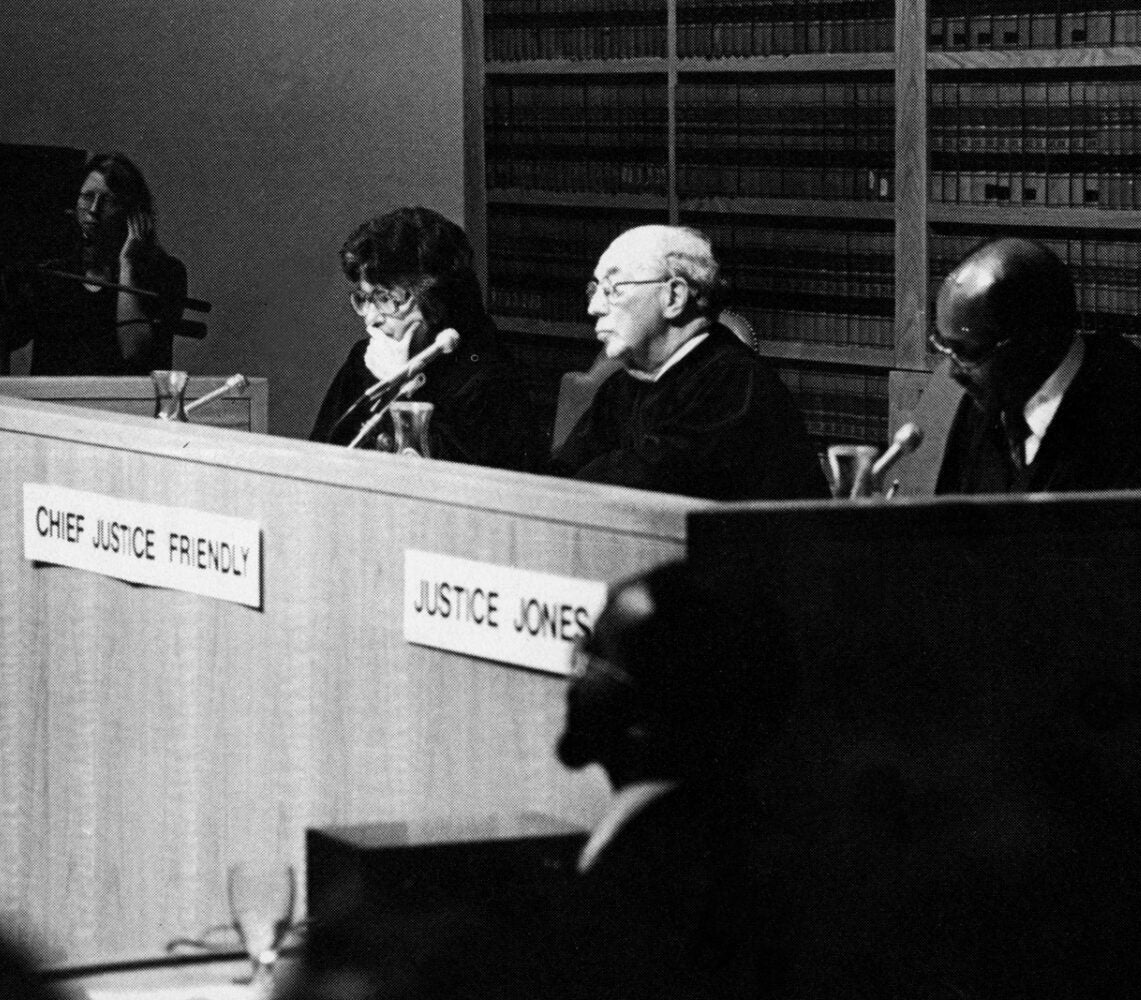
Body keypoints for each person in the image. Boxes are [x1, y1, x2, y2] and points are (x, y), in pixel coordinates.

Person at [550, 560, 795, 999]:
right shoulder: (744, 835)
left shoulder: (643, 888)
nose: (573, 680)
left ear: (652, 711)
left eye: (594, 657)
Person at [924, 236, 1141, 494]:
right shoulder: (988, 401)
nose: (952, 372)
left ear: (1036, 341)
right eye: (944, 347)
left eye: (968, 353)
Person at [548, 225, 828, 500]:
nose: (594, 307)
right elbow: (561, 476)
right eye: (594, 289)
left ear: (674, 297)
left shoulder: (736, 383)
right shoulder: (624, 385)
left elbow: (649, 487)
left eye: (613, 288)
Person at [310, 206, 537, 472]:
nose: (370, 319)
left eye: (385, 299)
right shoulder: (366, 359)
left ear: (436, 298)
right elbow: (321, 459)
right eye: (364, 299)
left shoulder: (490, 376)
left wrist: (401, 389)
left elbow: (467, 487)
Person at [6, 151, 188, 375]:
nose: (93, 210)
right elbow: (8, 337)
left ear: (134, 214)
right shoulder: (54, 272)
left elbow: (136, 353)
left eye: (109, 201)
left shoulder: (165, 273)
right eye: (87, 197)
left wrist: (127, 265)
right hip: (54, 405)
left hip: (121, 405)